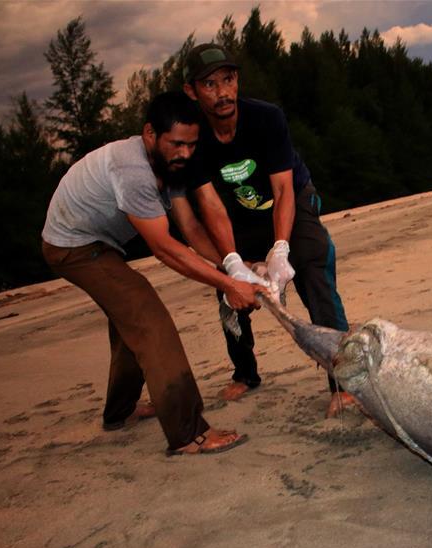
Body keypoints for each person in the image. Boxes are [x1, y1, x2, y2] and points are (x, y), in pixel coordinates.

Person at [41, 91, 267, 455]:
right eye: (177, 143)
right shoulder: (132, 171)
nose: (185, 153)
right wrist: (228, 285)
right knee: (148, 317)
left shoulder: (169, 164)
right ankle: (188, 433)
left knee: (128, 320)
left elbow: (190, 229)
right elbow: (163, 248)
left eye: (192, 145)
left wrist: (235, 265)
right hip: (72, 246)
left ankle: (121, 410)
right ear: (150, 133)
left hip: (99, 243)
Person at [182, 43, 356, 416]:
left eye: (228, 79)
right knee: (229, 286)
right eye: (209, 84)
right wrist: (232, 262)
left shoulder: (266, 117)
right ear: (192, 91)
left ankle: (342, 382)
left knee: (311, 266)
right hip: (241, 212)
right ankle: (245, 372)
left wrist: (280, 248)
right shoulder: (193, 139)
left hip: (292, 196)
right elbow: (210, 206)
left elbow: (283, 189)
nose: (223, 92)